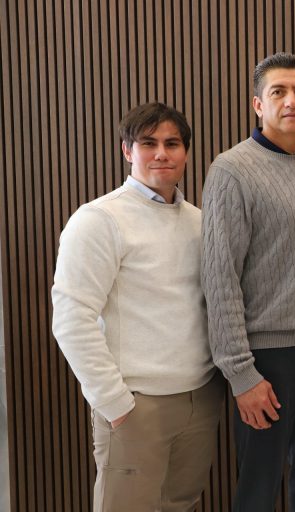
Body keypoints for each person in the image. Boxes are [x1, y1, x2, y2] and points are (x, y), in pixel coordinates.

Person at [200, 53, 295, 512]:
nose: (292, 101)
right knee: (258, 491)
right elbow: (219, 278)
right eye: (279, 92)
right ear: (258, 104)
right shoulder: (231, 171)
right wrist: (241, 374)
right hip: (265, 360)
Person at [51, 102, 224, 512]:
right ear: (128, 150)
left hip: (200, 398)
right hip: (136, 405)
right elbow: (71, 319)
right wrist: (114, 403)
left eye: (172, 143)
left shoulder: (200, 222)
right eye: (148, 143)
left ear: (186, 152)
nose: (161, 153)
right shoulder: (99, 220)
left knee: (180, 504)